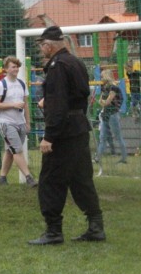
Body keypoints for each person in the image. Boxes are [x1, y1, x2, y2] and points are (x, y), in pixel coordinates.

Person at [28, 26, 105, 245]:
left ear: (49, 45)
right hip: (79, 128)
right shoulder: (76, 62)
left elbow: (59, 105)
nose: (42, 49)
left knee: (50, 180)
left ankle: (53, 231)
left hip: (63, 131)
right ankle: (95, 226)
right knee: (81, 179)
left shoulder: (57, 66)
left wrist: (49, 136)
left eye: (42, 45)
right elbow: (80, 95)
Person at [0, 56, 37, 188]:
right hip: (6, 123)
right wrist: (12, 105)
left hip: (20, 122)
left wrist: (28, 122)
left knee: (10, 150)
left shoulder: (22, 84)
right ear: (6, 69)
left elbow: (25, 105)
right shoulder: (0, 86)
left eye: (17, 66)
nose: (16, 69)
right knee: (17, 150)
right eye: (13, 66)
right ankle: (29, 177)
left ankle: (2, 178)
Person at [95, 69, 127, 164]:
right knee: (102, 138)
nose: (101, 78)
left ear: (107, 76)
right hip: (105, 115)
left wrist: (104, 102)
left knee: (118, 137)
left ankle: (124, 158)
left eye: (102, 76)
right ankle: (97, 158)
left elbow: (107, 101)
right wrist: (104, 102)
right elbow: (101, 102)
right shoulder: (104, 88)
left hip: (113, 115)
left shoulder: (114, 88)